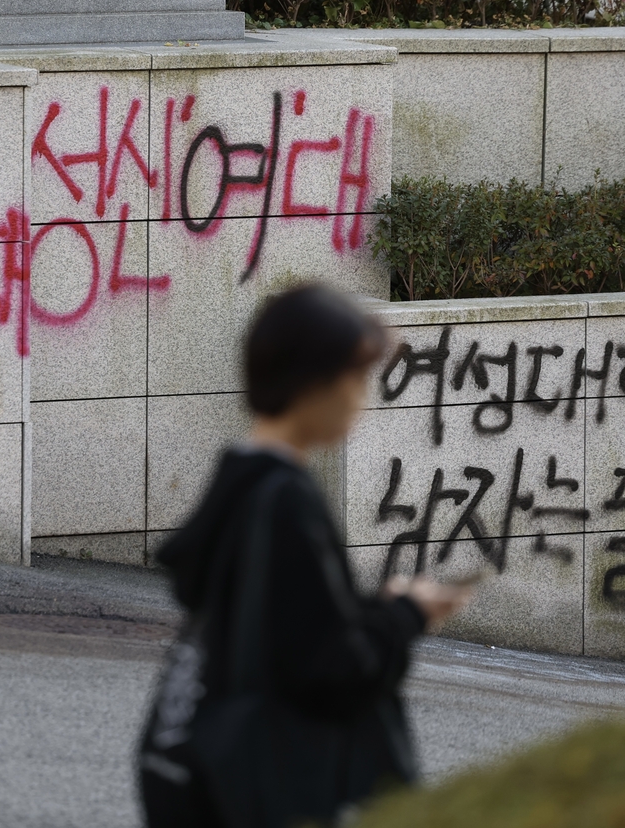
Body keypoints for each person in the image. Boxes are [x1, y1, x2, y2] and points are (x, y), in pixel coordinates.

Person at [139, 284, 471, 828]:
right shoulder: (286, 500)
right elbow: (330, 667)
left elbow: (286, 628)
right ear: (314, 382)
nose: (363, 396)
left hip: (186, 767)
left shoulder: (238, 482)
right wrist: (408, 615)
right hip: (252, 791)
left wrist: (373, 611)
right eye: (356, 377)